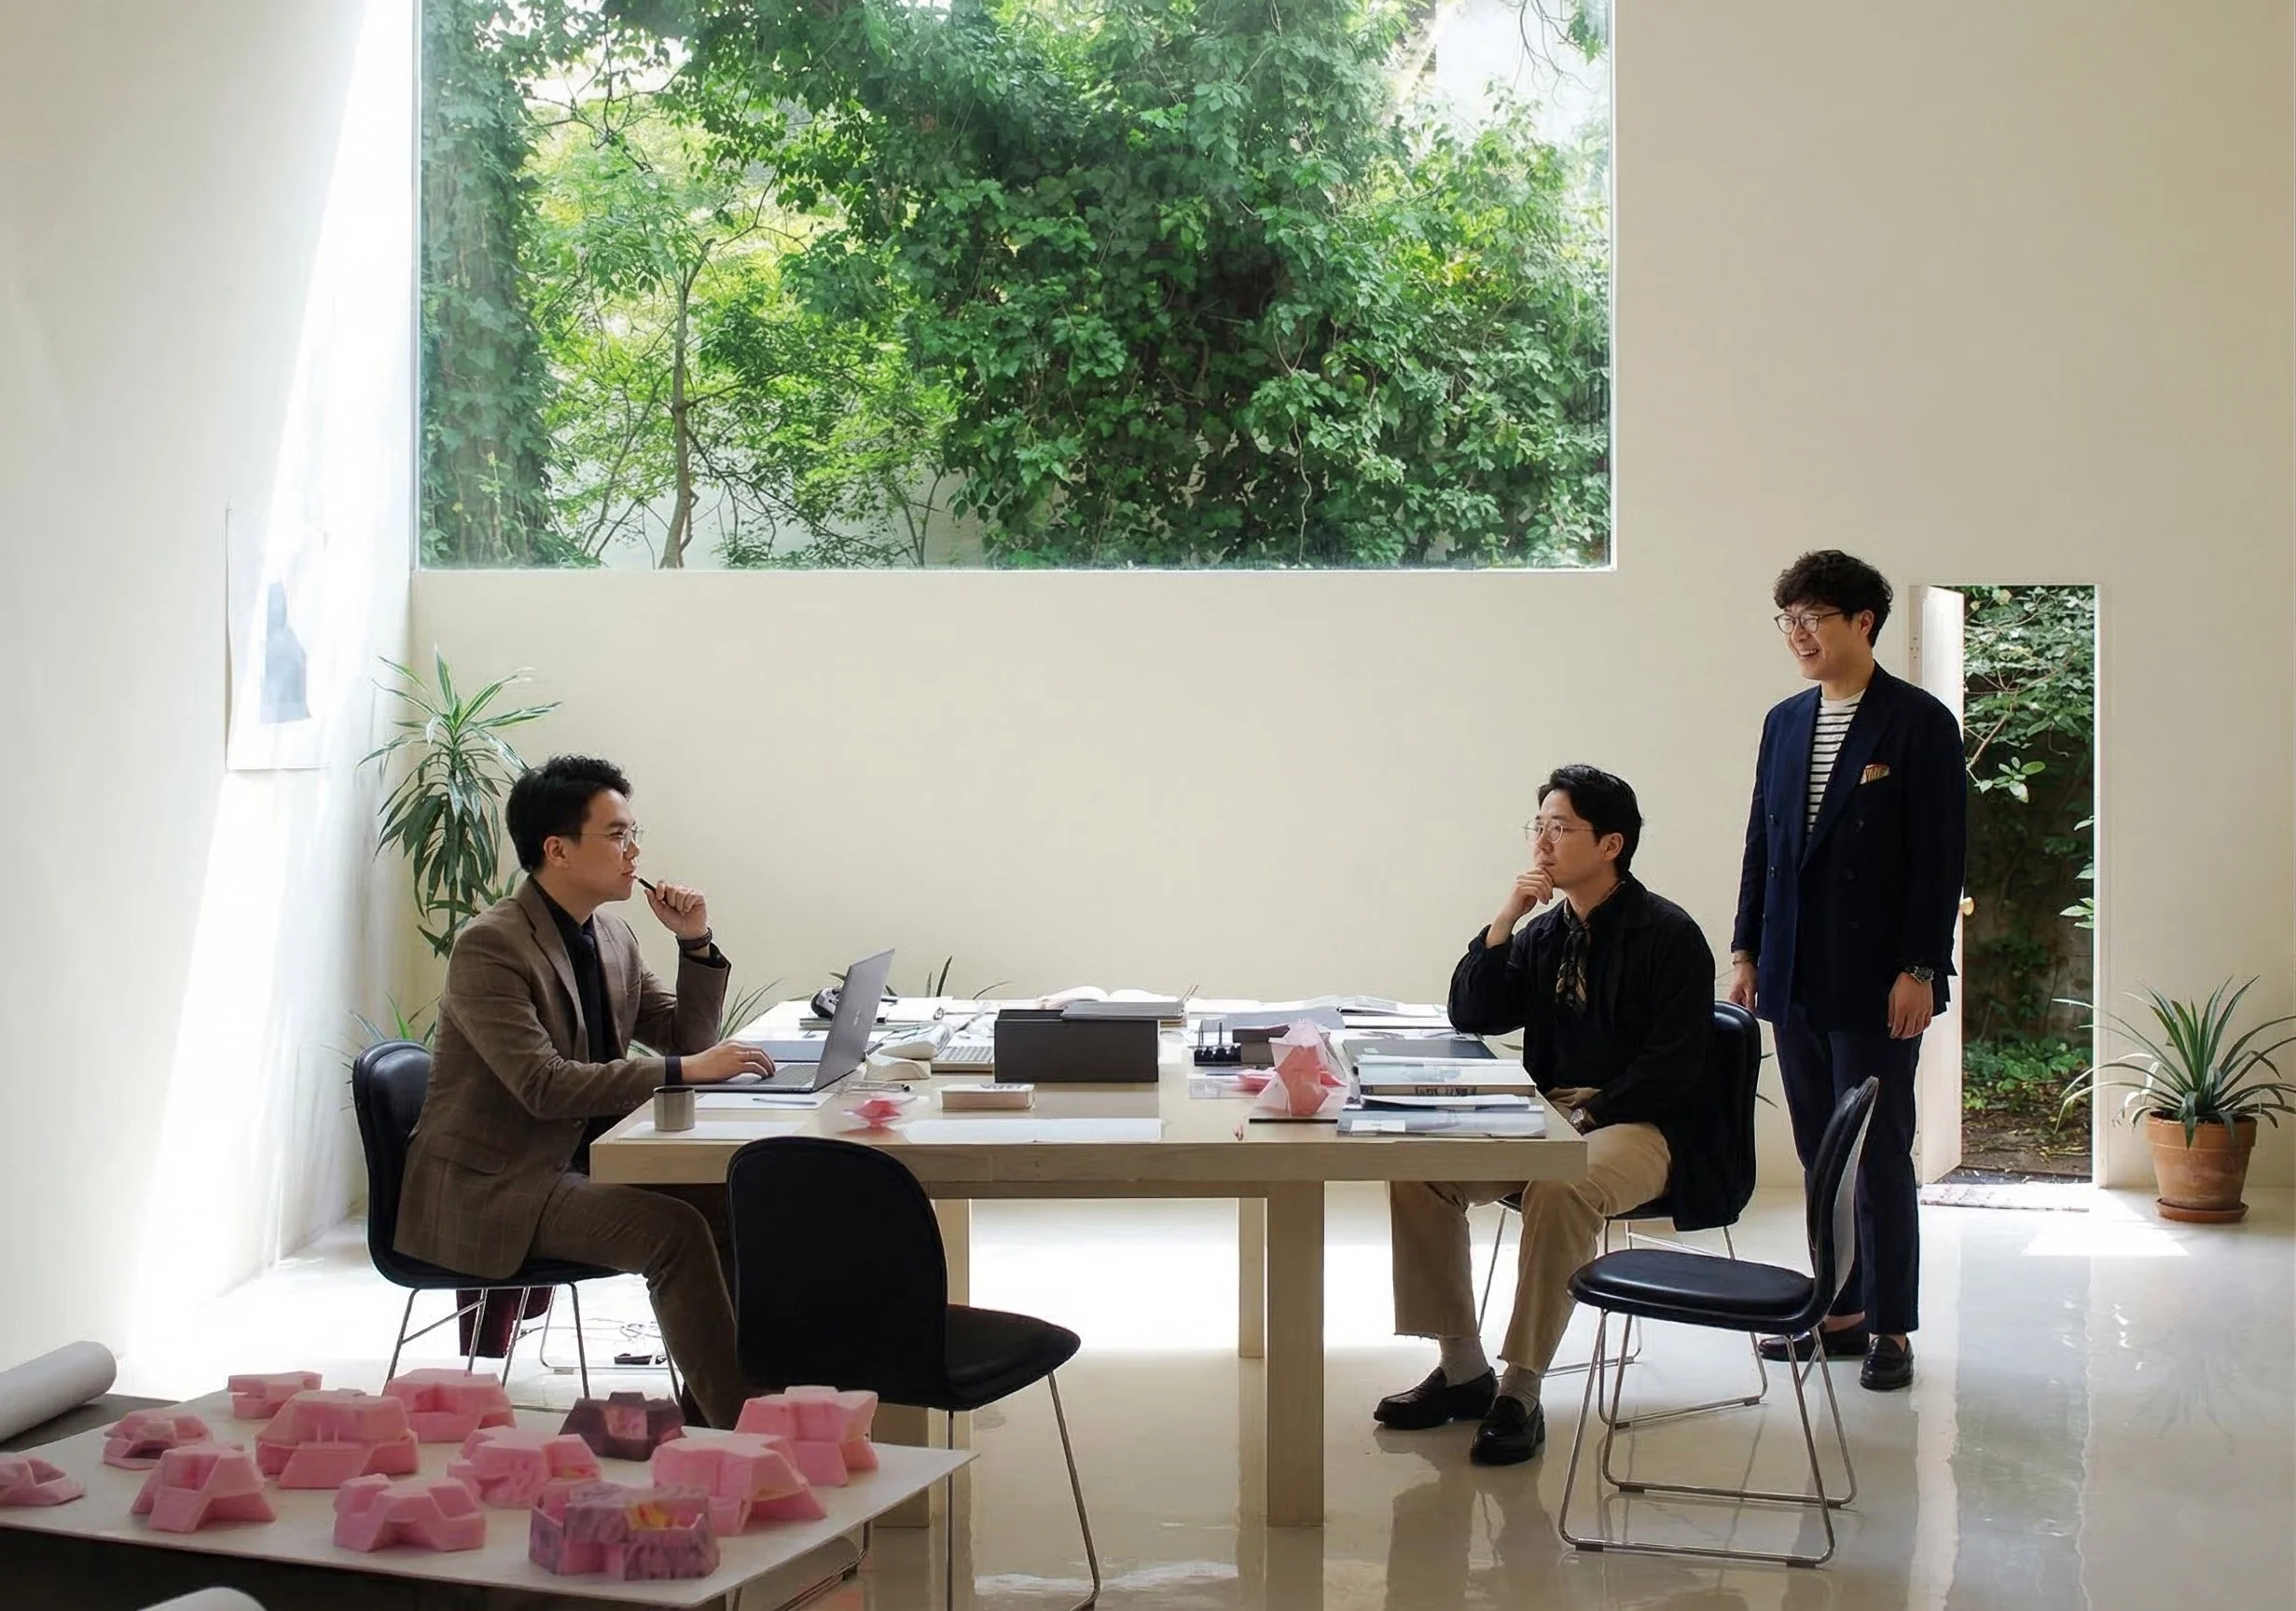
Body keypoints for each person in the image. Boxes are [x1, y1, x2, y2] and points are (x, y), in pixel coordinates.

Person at [394, 755, 780, 1427]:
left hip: (579, 1164)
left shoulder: (611, 934)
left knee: (736, 1200)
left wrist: (695, 943)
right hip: (501, 1184)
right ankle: (747, 1430)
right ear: (558, 849)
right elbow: (543, 1086)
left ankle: (716, 1418)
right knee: (675, 1232)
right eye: (617, 834)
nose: (635, 852)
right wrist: (690, 1070)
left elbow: (683, 1041)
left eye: (634, 834)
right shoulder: (490, 947)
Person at [1379, 765, 1719, 1466]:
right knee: (1421, 1169)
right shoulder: (1545, 933)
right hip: (1549, 1114)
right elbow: (1473, 1014)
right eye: (1537, 826)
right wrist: (1506, 918)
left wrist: (1589, 1118)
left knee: (1563, 1185)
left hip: (1642, 1123)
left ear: (1611, 844)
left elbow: (1673, 1067)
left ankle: (1521, 1390)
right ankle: (1463, 1369)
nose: (1542, 842)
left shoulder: (1670, 935)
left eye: (1560, 828)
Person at [1728, 551, 1966, 1392]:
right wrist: (1747, 950)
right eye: (1788, 620)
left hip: (1878, 977)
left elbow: (1939, 859)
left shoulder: (1918, 722)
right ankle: (1836, 1312)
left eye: (1814, 619)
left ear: (1864, 622)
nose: (1798, 635)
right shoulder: (1784, 722)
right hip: (1792, 971)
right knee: (1817, 1152)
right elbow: (1762, 843)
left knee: (1879, 1152)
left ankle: (1890, 1325)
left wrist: (1920, 968)